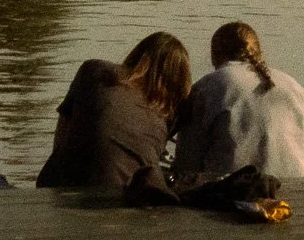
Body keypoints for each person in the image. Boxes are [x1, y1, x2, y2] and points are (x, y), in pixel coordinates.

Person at [173, 22, 304, 181]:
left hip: (233, 194)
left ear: (214, 55)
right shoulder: (294, 86)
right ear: (259, 52)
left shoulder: (205, 88)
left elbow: (187, 162)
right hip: (298, 193)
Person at [36, 32, 192, 189]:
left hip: (71, 185)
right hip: (132, 194)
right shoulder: (167, 109)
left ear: (138, 54)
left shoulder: (94, 70)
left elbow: (62, 132)